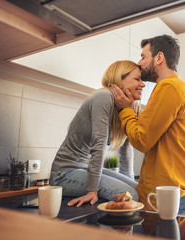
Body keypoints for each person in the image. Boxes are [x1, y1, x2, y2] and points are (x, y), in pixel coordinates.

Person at [110, 34, 185, 215]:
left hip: (169, 196)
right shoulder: (175, 88)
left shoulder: (169, 87)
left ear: (159, 58)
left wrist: (124, 110)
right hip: (176, 193)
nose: (139, 63)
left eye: (144, 56)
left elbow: (141, 140)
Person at [50, 60, 145, 207]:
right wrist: (92, 190)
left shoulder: (126, 108)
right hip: (64, 174)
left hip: (85, 169)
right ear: (119, 80)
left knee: (140, 191)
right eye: (137, 79)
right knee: (132, 195)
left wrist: (129, 183)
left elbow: (125, 151)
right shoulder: (104, 97)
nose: (143, 84)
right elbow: (98, 145)